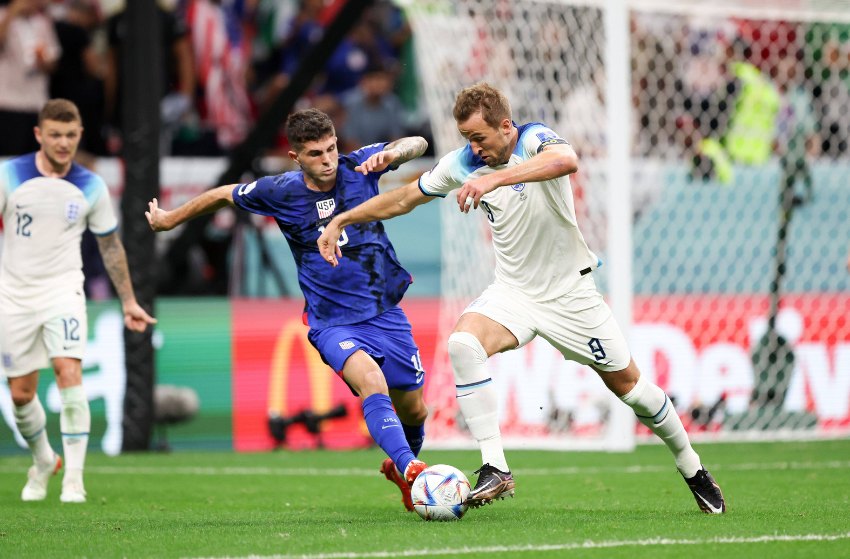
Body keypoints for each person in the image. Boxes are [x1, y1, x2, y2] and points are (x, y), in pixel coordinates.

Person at [318, 83, 727, 514]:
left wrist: (497, 177)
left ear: (505, 126)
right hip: (513, 292)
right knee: (462, 343)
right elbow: (403, 199)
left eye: (479, 138)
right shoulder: (463, 163)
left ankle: (693, 468)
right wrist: (344, 217)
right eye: (467, 140)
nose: (473, 149)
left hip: (570, 293)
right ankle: (495, 467)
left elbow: (566, 160)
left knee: (633, 390)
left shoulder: (534, 139)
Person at [145, 108, 430, 511]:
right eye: (316, 153)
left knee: (414, 408)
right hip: (331, 321)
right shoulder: (280, 190)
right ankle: (414, 469)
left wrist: (394, 152)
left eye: (331, 148)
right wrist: (171, 219)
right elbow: (224, 194)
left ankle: (401, 469)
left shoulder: (359, 166)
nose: (328, 160)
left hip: (385, 311)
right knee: (371, 381)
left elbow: (418, 145)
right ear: (296, 157)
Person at [0, 98, 157, 503]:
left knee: (69, 373)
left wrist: (128, 301)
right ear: (39, 135)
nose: (63, 143)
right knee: (20, 394)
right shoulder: (9, 175)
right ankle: (42, 460)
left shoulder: (91, 185)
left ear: (80, 135)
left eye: (70, 135)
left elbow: (110, 247)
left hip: (64, 291)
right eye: (55, 135)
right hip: (14, 295)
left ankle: (74, 478)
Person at [0, 0, 61, 155]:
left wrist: (43, 62)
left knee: (35, 159)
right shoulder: (3, 16)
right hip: (8, 103)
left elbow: (54, 61)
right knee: (9, 158)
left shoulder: (42, 22)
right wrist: (11, 13)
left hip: (36, 103)